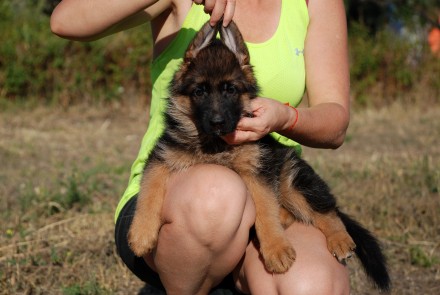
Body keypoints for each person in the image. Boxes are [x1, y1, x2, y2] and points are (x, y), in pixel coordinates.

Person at [51, 0, 351, 294]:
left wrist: (287, 117)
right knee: (215, 193)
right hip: (180, 211)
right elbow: (66, 21)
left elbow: (335, 124)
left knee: (312, 284)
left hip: (267, 204)